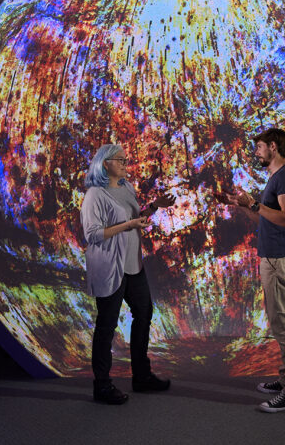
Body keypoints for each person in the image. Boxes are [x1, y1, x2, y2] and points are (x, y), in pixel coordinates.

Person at [81, 143, 175, 405]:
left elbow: (136, 219)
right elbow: (92, 235)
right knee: (107, 324)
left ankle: (141, 376)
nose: (125, 164)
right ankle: (102, 385)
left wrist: (154, 207)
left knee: (144, 313)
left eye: (125, 159)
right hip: (110, 266)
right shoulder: (95, 195)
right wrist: (129, 224)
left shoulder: (126, 188)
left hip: (133, 265)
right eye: (120, 160)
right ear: (105, 164)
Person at [218, 128, 285, 413]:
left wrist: (254, 203)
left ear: (273, 146)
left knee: (283, 323)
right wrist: (241, 205)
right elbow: (264, 219)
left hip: (279, 259)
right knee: (278, 322)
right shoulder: (275, 178)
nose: (256, 152)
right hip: (271, 257)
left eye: (259, 147)